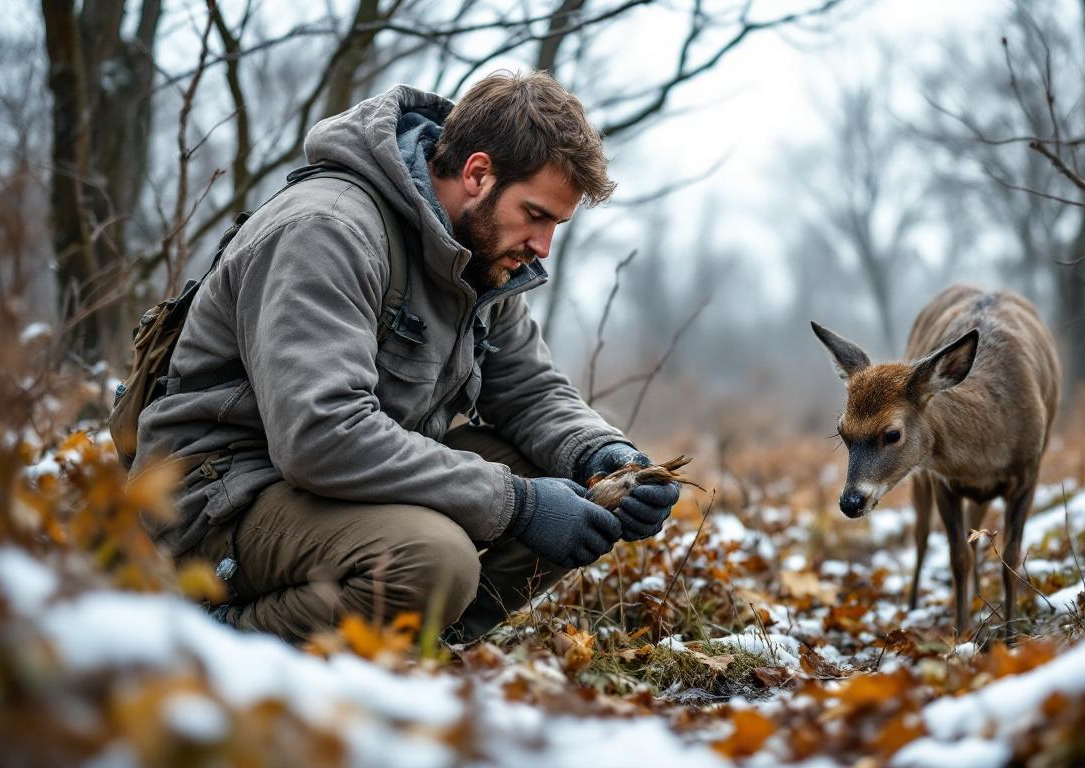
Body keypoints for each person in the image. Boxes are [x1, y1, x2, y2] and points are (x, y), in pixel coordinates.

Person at [134, 71, 679, 644]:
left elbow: (529, 391)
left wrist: (606, 459)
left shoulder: (480, 255)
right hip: (219, 503)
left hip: (333, 488)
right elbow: (321, 436)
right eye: (537, 215)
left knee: (565, 480)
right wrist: (516, 505)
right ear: (477, 173)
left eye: (556, 226)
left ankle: (422, 646)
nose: (543, 247)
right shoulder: (327, 230)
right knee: (434, 560)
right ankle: (212, 640)